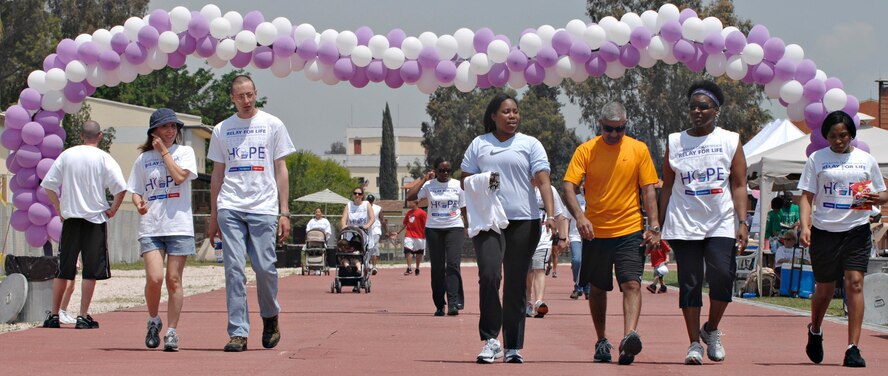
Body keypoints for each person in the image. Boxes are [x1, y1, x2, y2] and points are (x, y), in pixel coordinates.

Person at [461, 93, 557, 364]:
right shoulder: (479, 144)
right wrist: (486, 182)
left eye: (515, 111)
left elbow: (544, 180)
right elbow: (464, 181)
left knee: (516, 284)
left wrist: (550, 214)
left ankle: (513, 345)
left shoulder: (530, 144)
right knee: (490, 275)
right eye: (506, 111)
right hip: (490, 221)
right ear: (493, 116)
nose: (512, 116)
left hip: (523, 221)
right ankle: (491, 340)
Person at [658, 80, 748, 365]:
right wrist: (659, 225)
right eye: (692, 107)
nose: (697, 111)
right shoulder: (675, 141)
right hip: (684, 222)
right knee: (690, 282)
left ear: (716, 110)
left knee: (723, 274)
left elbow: (739, 184)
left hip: (720, 221)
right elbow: (667, 186)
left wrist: (743, 222)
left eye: (703, 107)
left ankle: (711, 329)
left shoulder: (730, 140)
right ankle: (693, 344)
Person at [563, 101, 661, 366]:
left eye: (620, 129)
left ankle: (629, 338)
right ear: (600, 124)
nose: (615, 135)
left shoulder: (638, 149)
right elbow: (569, 186)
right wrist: (580, 217)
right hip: (596, 233)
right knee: (597, 289)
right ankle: (602, 340)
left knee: (632, 283)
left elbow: (648, 190)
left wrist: (654, 227)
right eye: (609, 129)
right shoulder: (586, 150)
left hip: (630, 230)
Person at [206, 75, 295, 352]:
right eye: (240, 96)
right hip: (230, 206)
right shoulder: (222, 129)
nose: (246, 101)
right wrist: (213, 216)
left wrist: (284, 212)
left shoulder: (272, 124)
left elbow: (281, 169)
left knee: (265, 268)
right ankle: (238, 332)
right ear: (232, 97)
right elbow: (217, 175)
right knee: (233, 270)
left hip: (263, 207)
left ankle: (270, 317)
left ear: (256, 93)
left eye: (249, 95)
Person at [798, 110, 887, 368]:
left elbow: (882, 194)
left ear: (851, 135)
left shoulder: (865, 160)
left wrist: (875, 199)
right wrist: (806, 226)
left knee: (855, 283)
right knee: (824, 290)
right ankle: (815, 330)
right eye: (833, 136)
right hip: (825, 232)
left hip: (856, 230)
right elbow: (806, 196)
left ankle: (853, 348)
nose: (838, 140)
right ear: (826, 136)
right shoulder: (817, 159)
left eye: (844, 135)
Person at [41, 120, 126, 330]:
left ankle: (53, 314)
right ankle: (82, 315)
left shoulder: (67, 155)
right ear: (99, 136)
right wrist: (113, 209)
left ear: (81, 136)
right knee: (90, 270)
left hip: (71, 219)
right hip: (94, 219)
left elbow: (48, 184)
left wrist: (58, 208)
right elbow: (121, 188)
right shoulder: (104, 158)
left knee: (64, 269)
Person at [126, 108, 198, 351]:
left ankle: (172, 331)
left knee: (174, 279)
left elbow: (179, 177)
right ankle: (154, 319)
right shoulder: (143, 159)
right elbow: (135, 189)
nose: (170, 131)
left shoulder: (185, 152)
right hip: (152, 226)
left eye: (174, 126)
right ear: (154, 131)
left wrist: (165, 152)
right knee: (155, 278)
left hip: (178, 225)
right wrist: (138, 203)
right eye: (165, 126)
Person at [408, 159, 467, 317]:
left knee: (453, 264)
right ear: (435, 170)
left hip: (454, 227)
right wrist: (424, 180)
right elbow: (410, 197)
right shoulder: (429, 185)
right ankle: (440, 305)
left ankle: (454, 303)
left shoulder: (457, 185)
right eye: (441, 170)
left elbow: (464, 208)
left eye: (448, 170)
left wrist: (468, 226)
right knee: (438, 268)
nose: (445, 173)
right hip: (434, 229)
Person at [526, 180, 568, 318]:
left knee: (539, 269)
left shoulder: (550, 190)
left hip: (543, 238)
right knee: (527, 272)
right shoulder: (521, 186)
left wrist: (563, 237)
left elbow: (559, 215)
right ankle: (526, 303)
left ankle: (539, 302)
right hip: (523, 237)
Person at [566, 184, 590, 300]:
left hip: (591, 236)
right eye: (581, 185)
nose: (583, 187)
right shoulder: (574, 200)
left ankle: (584, 288)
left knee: (590, 263)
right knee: (577, 260)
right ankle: (578, 284)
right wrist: (565, 236)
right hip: (575, 235)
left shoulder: (596, 199)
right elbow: (566, 219)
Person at [393, 199, 427, 276]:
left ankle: (417, 267)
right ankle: (409, 268)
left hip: (420, 236)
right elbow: (405, 224)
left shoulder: (422, 213)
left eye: (410, 202)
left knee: (419, 253)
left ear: (415, 203)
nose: (408, 203)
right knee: (408, 250)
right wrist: (398, 232)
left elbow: (426, 224)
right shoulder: (409, 213)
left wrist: (428, 234)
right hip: (409, 235)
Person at [366, 194, 385, 275]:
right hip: (371, 230)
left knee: (369, 248)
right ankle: (372, 265)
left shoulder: (365, 207)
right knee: (373, 248)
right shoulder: (377, 208)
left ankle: (371, 265)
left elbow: (382, 220)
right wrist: (386, 230)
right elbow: (382, 220)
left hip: (370, 230)